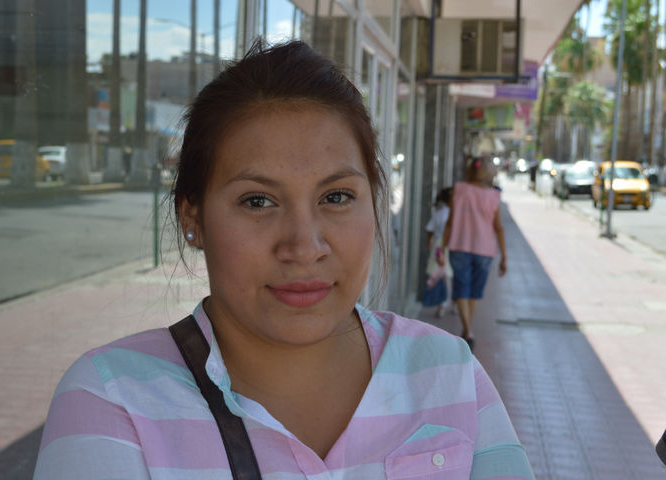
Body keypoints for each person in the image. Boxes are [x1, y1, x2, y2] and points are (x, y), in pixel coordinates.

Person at [34, 40, 533, 480]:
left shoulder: (451, 374)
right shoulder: (113, 399)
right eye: (258, 201)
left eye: (336, 197)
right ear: (193, 219)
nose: (305, 246)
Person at [438, 157, 506, 351]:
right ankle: (467, 329)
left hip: (459, 246)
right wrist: (504, 257)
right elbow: (498, 228)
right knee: (474, 291)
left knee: (461, 288)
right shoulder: (494, 196)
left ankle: (467, 330)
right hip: (485, 251)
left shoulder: (458, 190)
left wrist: (441, 248)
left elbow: (450, 223)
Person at [424, 187, 453, 317]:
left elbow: (430, 230)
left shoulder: (439, 214)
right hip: (451, 247)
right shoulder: (455, 213)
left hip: (438, 247)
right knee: (447, 273)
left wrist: (430, 241)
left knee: (438, 271)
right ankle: (447, 302)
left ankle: (441, 303)